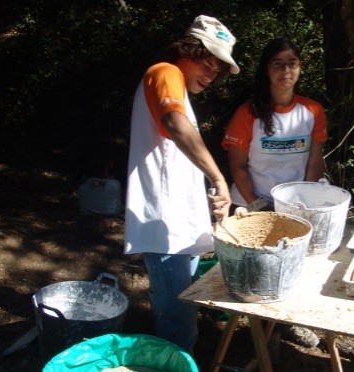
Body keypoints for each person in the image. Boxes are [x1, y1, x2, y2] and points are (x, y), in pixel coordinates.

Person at [124, 15, 238, 353]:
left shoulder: (179, 89)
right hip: (163, 226)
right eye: (207, 64)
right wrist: (219, 177)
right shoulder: (164, 72)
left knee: (184, 310)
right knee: (177, 322)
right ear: (188, 49)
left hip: (179, 224)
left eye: (216, 71)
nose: (211, 75)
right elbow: (174, 123)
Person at [222, 37, 327, 213]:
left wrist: (305, 202)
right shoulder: (247, 112)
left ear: (300, 67)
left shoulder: (313, 110)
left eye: (292, 63)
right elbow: (237, 166)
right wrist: (257, 205)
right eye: (278, 64)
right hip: (250, 204)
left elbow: (315, 162)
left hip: (295, 205)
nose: (286, 70)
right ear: (266, 69)